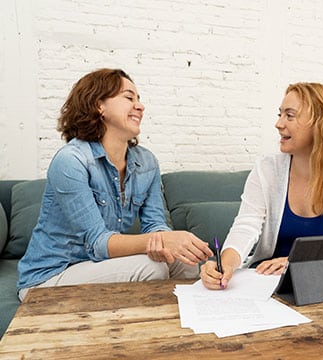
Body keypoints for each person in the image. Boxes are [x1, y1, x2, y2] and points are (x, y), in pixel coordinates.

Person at [17, 68, 213, 300]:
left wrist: (169, 243)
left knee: (186, 262)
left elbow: (154, 224)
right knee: (151, 268)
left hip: (100, 267)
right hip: (51, 276)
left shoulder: (146, 162)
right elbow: (98, 242)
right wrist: (163, 240)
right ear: (99, 105)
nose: (139, 106)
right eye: (129, 97)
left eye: (139, 99)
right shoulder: (71, 161)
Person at [200, 82, 323, 290]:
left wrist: (297, 265)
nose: (278, 124)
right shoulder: (266, 168)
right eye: (280, 114)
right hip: (266, 283)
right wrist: (226, 263)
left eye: (289, 116)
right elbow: (246, 226)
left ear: (320, 123)